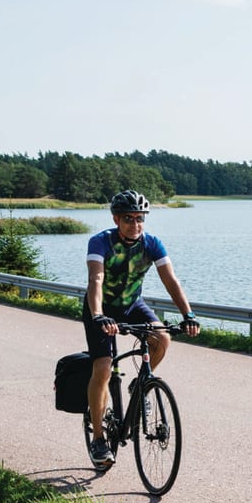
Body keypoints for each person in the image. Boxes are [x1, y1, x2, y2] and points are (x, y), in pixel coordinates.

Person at [84, 190, 199, 469]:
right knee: (103, 367)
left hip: (133, 304)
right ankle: (99, 438)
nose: (135, 224)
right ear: (116, 219)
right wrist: (99, 315)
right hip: (100, 308)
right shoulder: (101, 242)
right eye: (128, 219)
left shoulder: (151, 244)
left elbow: (170, 280)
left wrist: (188, 314)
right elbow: (96, 279)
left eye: (139, 219)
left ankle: (141, 385)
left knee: (162, 338)